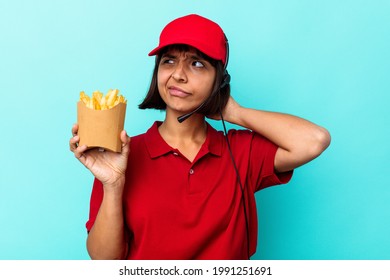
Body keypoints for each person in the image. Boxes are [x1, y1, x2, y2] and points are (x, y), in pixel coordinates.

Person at [69, 14, 331, 260]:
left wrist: (234, 112)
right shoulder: (123, 154)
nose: (178, 75)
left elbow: (314, 140)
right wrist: (113, 185)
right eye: (168, 60)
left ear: (220, 80)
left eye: (196, 63)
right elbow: (104, 261)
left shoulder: (241, 150)